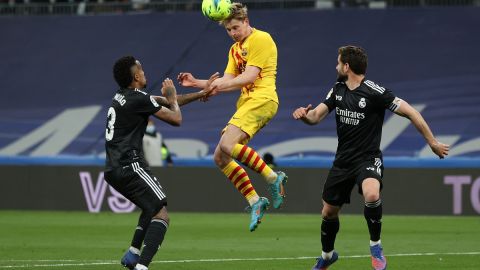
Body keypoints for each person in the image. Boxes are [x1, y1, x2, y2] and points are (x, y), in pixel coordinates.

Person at [292, 45, 450, 270]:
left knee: (372, 192)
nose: (335, 66)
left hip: (368, 158)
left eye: (338, 62)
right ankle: (327, 256)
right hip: (343, 161)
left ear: (347, 66)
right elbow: (316, 116)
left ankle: (375, 246)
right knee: (328, 212)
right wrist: (304, 116)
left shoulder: (376, 92)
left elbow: (412, 112)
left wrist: (432, 142)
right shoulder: (337, 89)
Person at [177, 2, 287, 232]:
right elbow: (227, 79)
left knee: (228, 144)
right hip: (247, 103)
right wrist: (199, 84)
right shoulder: (234, 49)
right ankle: (255, 201)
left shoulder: (261, 39)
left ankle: (272, 178)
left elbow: (248, 77)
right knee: (220, 157)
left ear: (246, 21)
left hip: (263, 99)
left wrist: (214, 86)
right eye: (228, 30)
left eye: (236, 28)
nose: (233, 33)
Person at [104, 56, 216, 270]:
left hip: (113, 168)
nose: (145, 72)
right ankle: (142, 267)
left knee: (150, 207)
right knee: (161, 213)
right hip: (130, 165)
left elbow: (166, 101)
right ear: (136, 76)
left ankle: (133, 254)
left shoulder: (123, 96)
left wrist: (202, 93)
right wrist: (172, 98)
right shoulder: (139, 99)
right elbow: (176, 119)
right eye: (142, 70)